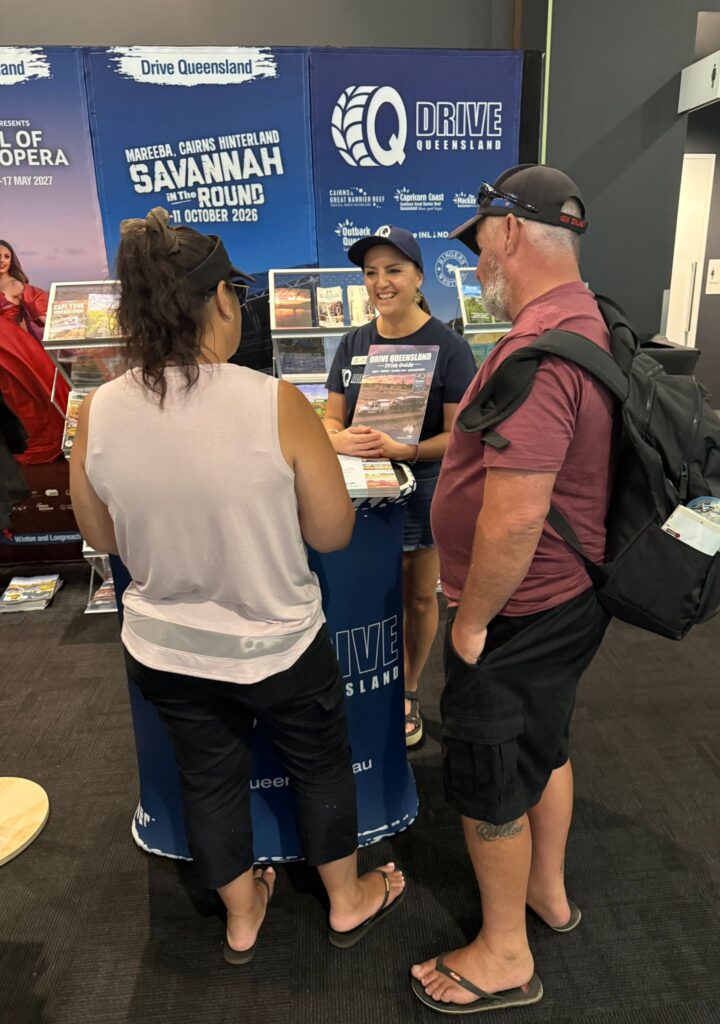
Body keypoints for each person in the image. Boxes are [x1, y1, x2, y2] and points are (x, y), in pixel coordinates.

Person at [69, 208, 405, 965]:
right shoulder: (272, 401)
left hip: (167, 648)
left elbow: (100, 538)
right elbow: (331, 533)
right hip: (280, 643)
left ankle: (243, 916)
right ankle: (347, 900)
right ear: (223, 299)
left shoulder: (100, 411)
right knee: (320, 763)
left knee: (208, 777)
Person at [410, 165, 616, 1012]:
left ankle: (504, 954)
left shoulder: (534, 353)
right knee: (545, 744)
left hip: (519, 608)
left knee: (493, 771)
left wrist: (469, 626)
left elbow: (512, 521)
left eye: (479, 243)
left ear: (510, 233)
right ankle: (548, 896)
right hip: (570, 597)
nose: (476, 263)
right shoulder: (583, 319)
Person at [324, 226, 476, 747]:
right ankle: (365, 685)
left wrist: (405, 451)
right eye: (371, 273)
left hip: (425, 488)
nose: (380, 283)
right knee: (363, 592)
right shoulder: (352, 343)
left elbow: (458, 437)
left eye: (393, 270)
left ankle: (407, 690)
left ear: (418, 276)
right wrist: (343, 440)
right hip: (362, 492)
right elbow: (329, 420)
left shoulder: (450, 348)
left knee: (415, 597)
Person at [0, 239, 70, 464]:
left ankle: (40, 442)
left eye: (6, 256)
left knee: (26, 398)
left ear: (12, 261)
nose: (2, 261)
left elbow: (42, 317)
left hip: (16, 350)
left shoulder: (17, 286)